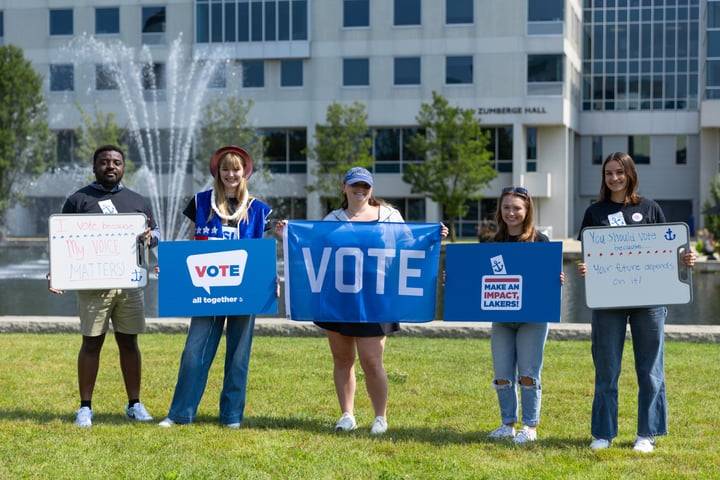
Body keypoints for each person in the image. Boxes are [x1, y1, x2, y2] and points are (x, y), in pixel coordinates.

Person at [278, 167, 447, 435]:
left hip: (376, 297)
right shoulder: (333, 218)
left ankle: (380, 417)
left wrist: (433, 238)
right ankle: (347, 414)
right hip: (338, 298)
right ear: (344, 187)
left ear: (372, 189)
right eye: (355, 185)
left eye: (365, 186)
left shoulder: (390, 216)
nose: (360, 190)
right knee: (342, 359)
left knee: (372, 360)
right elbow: (312, 247)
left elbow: (410, 245)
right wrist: (287, 236)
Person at [577, 152, 696, 453]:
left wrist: (684, 258)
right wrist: (586, 268)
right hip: (608, 301)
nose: (614, 178)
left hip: (650, 301)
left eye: (619, 172)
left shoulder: (650, 207)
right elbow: (589, 253)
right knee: (606, 369)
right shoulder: (595, 212)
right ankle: (603, 433)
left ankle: (648, 433)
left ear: (630, 174)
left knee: (651, 369)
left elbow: (669, 250)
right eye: (608, 173)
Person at [159, 145, 271, 428]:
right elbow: (186, 243)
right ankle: (180, 414)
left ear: (244, 172)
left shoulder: (258, 209)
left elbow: (265, 253)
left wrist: (273, 279)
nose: (230, 174)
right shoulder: (200, 202)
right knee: (194, 352)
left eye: (235, 169)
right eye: (225, 169)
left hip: (244, 288)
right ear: (217, 172)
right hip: (206, 289)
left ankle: (232, 415)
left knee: (238, 354)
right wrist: (172, 267)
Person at [49, 144, 159, 427]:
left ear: (124, 167)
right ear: (94, 166)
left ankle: (134, 404)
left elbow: (154, 235)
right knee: (91, 343)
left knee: (129, 342)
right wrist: (57, 272)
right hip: (92, 285)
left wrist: (152, 239)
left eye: (117, 162)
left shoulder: (137, 201)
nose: (111, 166)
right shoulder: (78, 200)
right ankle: (85, 407)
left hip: (128, 285)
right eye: (105, 162)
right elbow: (62, 240)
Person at [486, 186, 564, 444]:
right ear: (500, 209)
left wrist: (557, 279)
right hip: (502, 319)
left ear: (527, 210)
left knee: (529, 373)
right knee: (502, 374)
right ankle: (507, 423)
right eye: (506, 207)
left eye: (517, 208)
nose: (511, 213)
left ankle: (529, 426)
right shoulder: (493, 242)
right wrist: (455, 280)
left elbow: (547, 279)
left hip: (533, 317)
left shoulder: (540, 241)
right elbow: (480, 278)